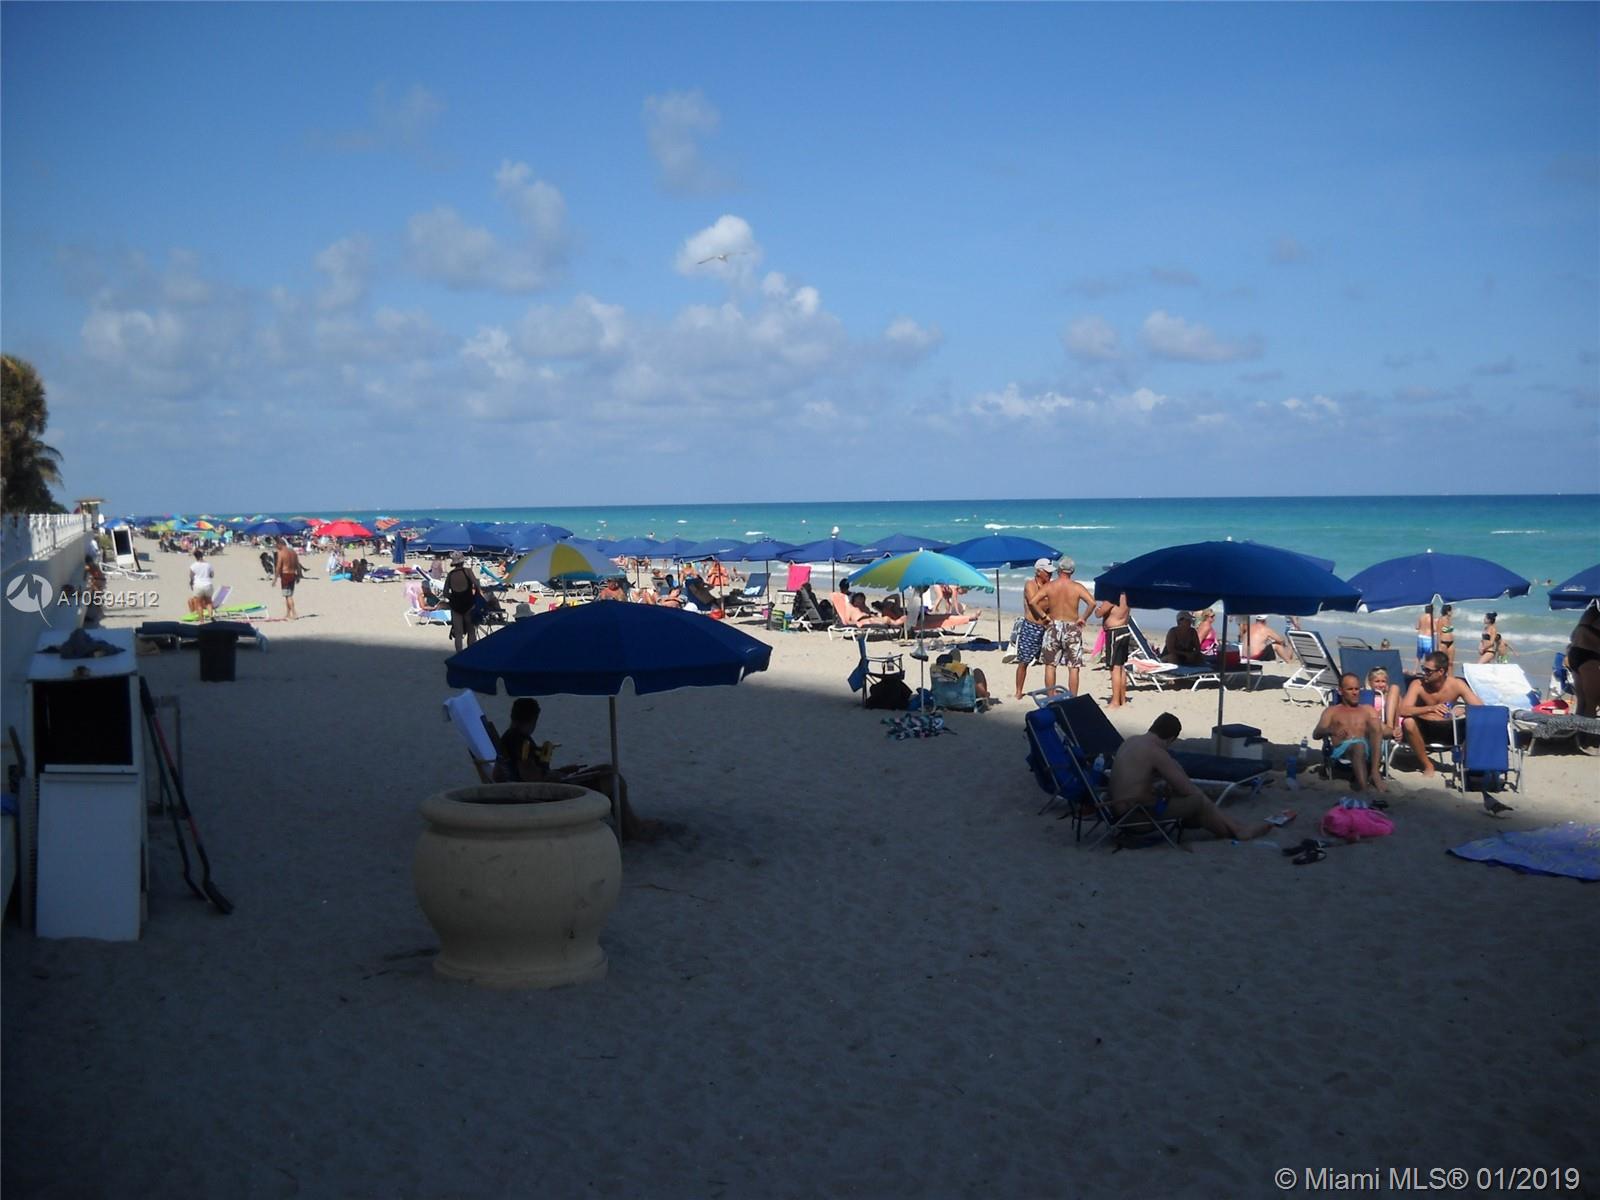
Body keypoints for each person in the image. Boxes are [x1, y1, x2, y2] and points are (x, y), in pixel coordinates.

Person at [492, 698, 659, 842]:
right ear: (533, 719)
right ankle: (631, 829)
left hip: (544, 789)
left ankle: (632, 824)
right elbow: (532, 780)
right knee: (614, 779)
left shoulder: (508, 738)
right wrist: (555, 775)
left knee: (607, 768)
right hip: (547, 796)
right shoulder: (520, 742)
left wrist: (561, 771)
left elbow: (499, 775)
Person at [1111, 713, 1280, 841]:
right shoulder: (1155, 751)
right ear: (1171, 738)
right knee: (1197, 799)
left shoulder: (1131, 741)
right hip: (1136, 817)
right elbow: (1187, 789)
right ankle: (1236, 830)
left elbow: (1137, 779)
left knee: (1186, 798)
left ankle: (1236, 827)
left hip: (1117, 811)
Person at [1398, 651, 1483, 776]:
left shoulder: (1456, 684)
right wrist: (1430, 708)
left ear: (1441, 671)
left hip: (1448, 730)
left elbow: (1480, 708)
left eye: (1428, 670)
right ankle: (1427, 765)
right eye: (1423, 668)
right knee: (1408, 722)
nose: (1424, 673)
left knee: (1476, 721)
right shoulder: (1418, 685)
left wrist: (1464, 709)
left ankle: (1466, 763)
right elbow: (1403, 710)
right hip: (1424, 729)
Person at [1312, 674, 1389, 794]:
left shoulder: (1367, 709)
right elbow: (1316, 734)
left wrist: (1395, 732)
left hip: (1369, 749)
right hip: (1343, 748)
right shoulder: (1332, 711)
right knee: (1358, 746)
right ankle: (1364, 788)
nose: (1354, 692)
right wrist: (1331, 730)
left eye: (1357, 689)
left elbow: (1385, 730)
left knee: (1374, 723)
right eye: (1350, 689)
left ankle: (1374, 772)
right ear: (1341, 691)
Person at [1041, 557, 1095, 697]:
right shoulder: (1077, 587)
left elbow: (1033, 601)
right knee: (1073, 666)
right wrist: (1083, 618)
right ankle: (1073, 698)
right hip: (1072, 627)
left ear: (1059, 570)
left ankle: (1051, 697)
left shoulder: (1050, 586)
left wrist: (1044, 616)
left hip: (1054, 625)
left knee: (1050, 664)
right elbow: (1092, 603)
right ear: (1072, 571)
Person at [1014, 559, 1054, 700]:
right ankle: (1019, 691)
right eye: (1047, 572)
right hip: (1031, 626)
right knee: (1024, 661)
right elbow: (1033, 603)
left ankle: (1050, 691)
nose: (1050, 574)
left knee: (1049, 662)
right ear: (1038, 571)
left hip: (1046, 627)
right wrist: (1044, 615)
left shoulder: (1050, 586)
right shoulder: (1030, 584)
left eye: (1051, 572)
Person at [1566, 606, 1600, 737]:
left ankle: (1577, 735)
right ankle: (1588, 738)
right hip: (1589, 657)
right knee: (1591, 702)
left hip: (1575, 654)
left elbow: (1572, 636)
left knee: (1582, 701)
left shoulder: (1590, 612)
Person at [1097, 590, 1133, 708]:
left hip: (1115, 632)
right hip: (1124, 629)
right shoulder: (1128, 596)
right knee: (1121, 667)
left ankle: (1115, 701)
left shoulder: (1113, 596)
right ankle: (1122, 699)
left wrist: (1099, 609)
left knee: (1114, 668)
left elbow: (1099, 613)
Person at [442, 551, 483, 652]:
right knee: (471, 631)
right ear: (462, 561)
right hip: (468, 603)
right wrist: (478, 596)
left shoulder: (450, 575)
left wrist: (453, 598)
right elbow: (476, 584)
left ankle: (459, 654)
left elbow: (445, 593)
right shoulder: (468, 571)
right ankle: (470, 653)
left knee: (458, 634)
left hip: (455, 605)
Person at [275, 538, 303, 620]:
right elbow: (298, 565)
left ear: (280, 544)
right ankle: (288, 613)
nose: (276, 547)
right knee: (288, 595)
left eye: (277, 545)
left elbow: (278, 566)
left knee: (288, 596)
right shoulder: (293, 552)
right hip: (293, 574)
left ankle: (294, 613)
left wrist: (275, 578)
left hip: (285, 575)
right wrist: (299, 575)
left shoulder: (281, 553)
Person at [188, 549, 215, 619]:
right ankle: (211, 616)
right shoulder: (208, 565)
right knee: (209, 602)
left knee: (199, 604)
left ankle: (201, 620)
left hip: (198, 585)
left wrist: (191, 583)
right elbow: (212, 575)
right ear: (202, 556)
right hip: (208, 585)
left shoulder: (193, 565)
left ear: (195, 557)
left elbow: (191, 576)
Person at [1437, 604, 1457, 669]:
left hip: (1451, 642)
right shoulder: (1441, 619)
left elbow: (1449, 631)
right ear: (1447, 611)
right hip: (1443, 642)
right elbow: (1438, 632)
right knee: (1443, 663)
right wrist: (1439, 645)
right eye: (1451, 611)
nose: (1452, 612)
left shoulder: (1449, 619)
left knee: (1451, 663)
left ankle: (1451, 675)